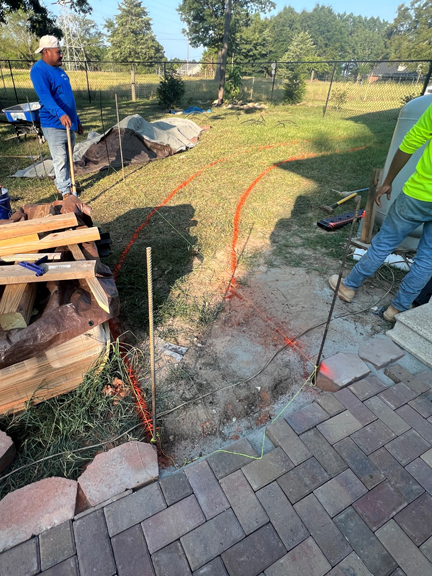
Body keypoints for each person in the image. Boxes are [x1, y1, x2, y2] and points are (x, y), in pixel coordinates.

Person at [329, 102, 432, 323]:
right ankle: (396, 310)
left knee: (384, 243)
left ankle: (348, 286)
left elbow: (409, 144)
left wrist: (388, 181)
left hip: (418, 195)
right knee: (428, 259)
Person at [30, 35, 83, 199]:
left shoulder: (60, 71)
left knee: (68, 157)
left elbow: (67, 97)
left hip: (68, 122)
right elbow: (45, 97)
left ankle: (66, 182)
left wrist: (77, 120)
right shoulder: (38, 70)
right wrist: (60, 113)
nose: (61, 55)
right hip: (53, 123)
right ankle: (65, 191)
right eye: (58, 52)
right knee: (60, 159)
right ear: (46, 52)